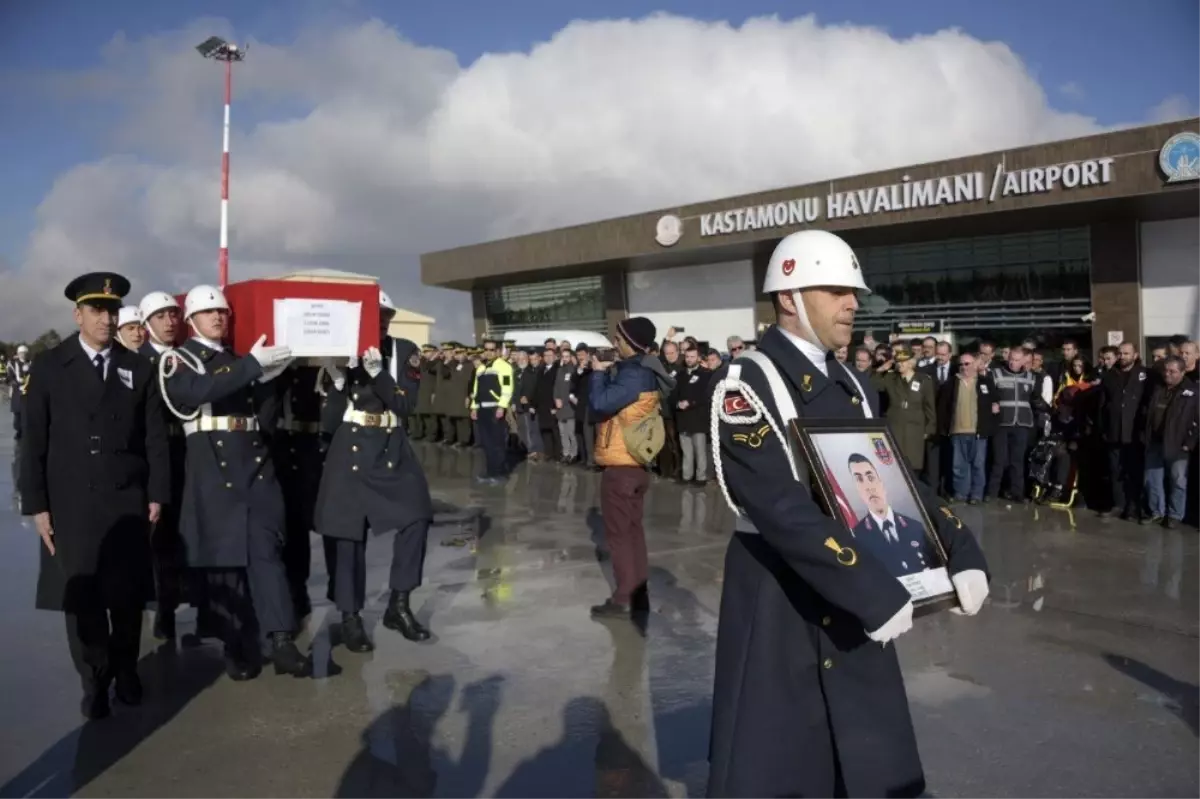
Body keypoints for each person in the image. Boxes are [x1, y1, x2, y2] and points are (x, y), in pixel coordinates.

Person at [705, 229, 989, 799]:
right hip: (782, 595)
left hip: (858, 592)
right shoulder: (747, 381)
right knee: (783, 759)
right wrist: (873, 590)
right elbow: (780, 506)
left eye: (854, 291)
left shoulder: (854, 384)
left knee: (863, 760)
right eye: (836, 290)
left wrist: (958, 548)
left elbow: (895, 481)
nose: (853, 303)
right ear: (789, 296)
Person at [21, 272, 170, 719]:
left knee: (126, 596)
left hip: (126, 498)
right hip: (72, 501)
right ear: (78, 314)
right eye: (97, 310)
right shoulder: (50, 366)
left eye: (112, 310)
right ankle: (95, 678)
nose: (106, 319)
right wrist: (38, 505)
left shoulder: (137, 367)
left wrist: (157, 493)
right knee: (82, 598)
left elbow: (154, 438)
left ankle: (126, 670)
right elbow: (34, 441)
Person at [162, 284, 309, 680]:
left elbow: (261, 418)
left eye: (223, 312)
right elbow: (197, 391)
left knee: (266, 553)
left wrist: (268, 381)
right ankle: (236, 644)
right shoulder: (179, 361)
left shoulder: (242, 360)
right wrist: (251, 368)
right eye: (209, 313)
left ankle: (281, 640)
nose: (218, 318)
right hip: (214, 468)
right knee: (227, 566)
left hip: (255, 466)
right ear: (191, 320)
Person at [315, 304, 432, 650]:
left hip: (391, 444)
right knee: (347, 533)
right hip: (350, 444)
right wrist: (337, 381)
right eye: (374, 315)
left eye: (386, 316)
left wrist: (380, 374)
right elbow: (330, 421)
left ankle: (399, 603)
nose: (381, 321)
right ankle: (350, 616)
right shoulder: (342, 350)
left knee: (417, 516)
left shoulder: (405, 351)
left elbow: (407, 405)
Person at [588, 317, 675, 619]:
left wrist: (598, 375)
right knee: (633, 532)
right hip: (634, 465)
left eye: (618, 338)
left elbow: (600, 404)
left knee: (620, 536)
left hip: (621, 465)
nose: (614, 343)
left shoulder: (633, 375)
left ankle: (624, 597)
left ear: (631, 342)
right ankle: (639, 595)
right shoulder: (642, 371)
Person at [134, 290, 197, 641]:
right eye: (161, 317)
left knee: (189, 534)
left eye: (174, 315)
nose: (170, 322)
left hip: (189, 453)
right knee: (162, 541)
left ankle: (193, 601)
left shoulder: (190, 358)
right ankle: (165, 610)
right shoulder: (138, 363)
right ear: (146, 324)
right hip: (157, 457)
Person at [847, 453, 936, 577]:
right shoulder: (857, 536)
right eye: (859, 480)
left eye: (871, 477)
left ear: (881, 482)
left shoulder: (915, 526)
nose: (868, 487)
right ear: (857, 489)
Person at [1141, 356, 1198, 529]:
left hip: (1178, 444)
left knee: (1178, 480)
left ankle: (1175, 515)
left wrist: (1190, 442)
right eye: (1165, 370)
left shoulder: (1193, 392)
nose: (1167, 374)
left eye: (1172, 371)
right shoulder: (1158, 389)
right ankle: (1157, 512)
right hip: (1155, 442)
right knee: (1152, 479)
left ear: (1182, 372)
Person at [939, 351, 999, 504]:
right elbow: (943, 407)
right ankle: (961, 494)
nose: (964, 367)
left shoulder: (985, 382)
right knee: (958, 466)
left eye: (967, 364)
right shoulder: (951, 383)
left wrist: (993, 413)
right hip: (957, 431)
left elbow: (995, 402)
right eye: (961, 364)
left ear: (974, 365)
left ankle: (976, 495)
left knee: (978, 465)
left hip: (978, 431)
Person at [1098, 341, 1150, 519]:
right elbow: (1102, 405)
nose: (1122, 357)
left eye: (1127, 353)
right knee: (1115, 471)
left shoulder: (1145, 375)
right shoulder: (1110, 375)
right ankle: (1118, 505)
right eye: (1120, 353)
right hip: (1114, 432)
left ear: (1135, 355)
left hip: (1135, 434)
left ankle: (1134, 506)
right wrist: (1103, 429)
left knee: (1134, 472)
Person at [878, 350, 936, 471]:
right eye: (898, 362)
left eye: (903, 362)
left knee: (913, 464)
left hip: (915, 427)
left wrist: (929, 428)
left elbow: (929, 406)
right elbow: (872, 384)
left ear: (911, 363)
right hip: (895, 425)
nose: (899, 364)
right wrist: (881, 369)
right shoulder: (890, 378)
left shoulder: (923, 380)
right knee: (895, 464)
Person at [470, 337, 515, 483]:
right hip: (482, 409)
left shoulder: (504, 366)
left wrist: (502, 406)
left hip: (495, 408)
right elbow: (476, 390)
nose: (488, 352)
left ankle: (500, 473)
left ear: (497, 351)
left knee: (497, 442)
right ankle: (490, 471)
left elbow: (507, 388)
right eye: (486, 349)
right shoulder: (481, 368)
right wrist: (474, 407)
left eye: (491, 350)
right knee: (486, 443)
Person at [673, 346, 711, 485]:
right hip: (683, 418)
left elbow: (706, 396)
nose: (689, 359)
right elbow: (673, 394)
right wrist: (678, 404)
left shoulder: (705, 374)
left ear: (698, 358)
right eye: (687, 356)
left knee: (700, 450)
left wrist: (691, 402)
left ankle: (701, 477)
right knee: (686, 451)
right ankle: (686, 475)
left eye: (692, 357)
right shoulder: (680, 375)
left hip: (698, 418)